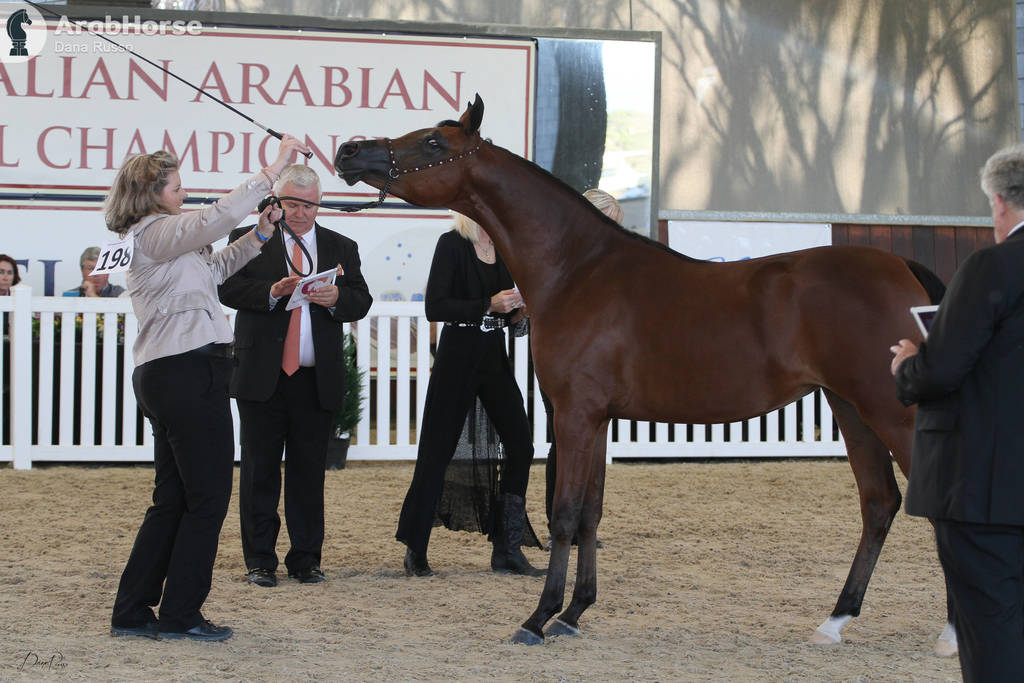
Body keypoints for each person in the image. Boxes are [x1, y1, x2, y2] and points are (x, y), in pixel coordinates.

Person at [106, 134, 309, 642]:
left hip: (174, 372)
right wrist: (272, 170)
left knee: (174, 497)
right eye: (176, 187)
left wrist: (259, 236)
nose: (183, 192)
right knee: (208, 497)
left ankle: (133, 610)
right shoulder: (156, 232)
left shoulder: (162, 241)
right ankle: (180, 614)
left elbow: (215, 268)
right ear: (154, 193)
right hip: (188, 372)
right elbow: (214, 218)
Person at [890, 143, 1024, 682]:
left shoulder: (991, 267)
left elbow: (942, 372)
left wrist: (908, 363)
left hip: (984, 485)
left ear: (998, 202)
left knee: (990, 626)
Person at [218, 165, 372, 588]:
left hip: (314, 378)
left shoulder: (342, 246)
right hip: (261, 376)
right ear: (274, 203)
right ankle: (260, 560)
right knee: (258, 471)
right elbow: (226, 289)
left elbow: (361, 299)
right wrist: (271, 293)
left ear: (318, 205)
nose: (300, 212)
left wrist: (337, 296)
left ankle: (306, 559)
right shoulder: (249, 240)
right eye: (290, 203)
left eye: (307, 205)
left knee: (309, 474)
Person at [397, 212, 543, 577]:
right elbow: (435, 306)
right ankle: (416, 548)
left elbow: (511, 318)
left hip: (493, 353)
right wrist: (487, 304)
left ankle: (507, 548)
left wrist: (520, 311)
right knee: (438, 449)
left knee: (521, 444)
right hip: (458, 354)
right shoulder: (453, 244)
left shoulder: (505, 248)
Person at [543, 189, 623, 540]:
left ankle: (584, 524)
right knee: (565, 443)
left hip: (596, 363)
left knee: (590, 444)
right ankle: (559, 521)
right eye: (609, 223)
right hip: (567, 360)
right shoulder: (561, 258)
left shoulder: (610, 258)